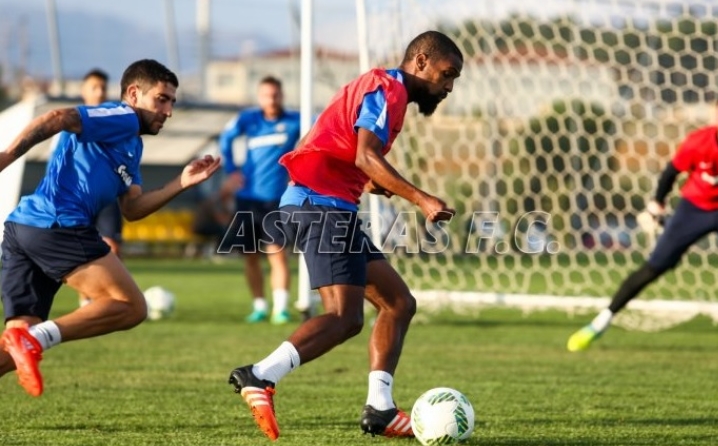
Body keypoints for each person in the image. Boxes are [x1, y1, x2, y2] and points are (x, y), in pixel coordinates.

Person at [226, 30, 463, 441]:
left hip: (327, 206)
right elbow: (365, 154)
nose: (448, 86)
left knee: (398, 303)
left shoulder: (381, 89)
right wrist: (421, 198)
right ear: (421, 60)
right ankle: (260, 375)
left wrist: (367, 182)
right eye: (447, 73)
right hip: (320, 208)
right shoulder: (387, 89)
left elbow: (323, 145)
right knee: (344, 317)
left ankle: (381, 409)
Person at [0, 59, 221, 397]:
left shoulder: (132, 144)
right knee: (131, 306)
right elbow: (57, 118)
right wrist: (4, 157)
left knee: (11, 352)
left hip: (25, 229)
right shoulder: (121, 116)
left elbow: (132, 208)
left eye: (173, 102)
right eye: (161, 99)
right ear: (133, 94)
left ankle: (28, 338)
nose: (169, 110)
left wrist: (182, 183)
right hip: (58, 224)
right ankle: (36, 339)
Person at [567, 92, 718, 357]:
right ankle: (598, 325)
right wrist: (656, 204)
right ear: (716, 118)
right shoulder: (698, 143)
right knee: (653, 267)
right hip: (694, 209)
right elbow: (670, 173)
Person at [219, 76, 301, 324]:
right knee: (251, 256)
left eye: (275, 94)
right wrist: (232, 170)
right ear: (259, 97)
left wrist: (299, 172)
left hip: (275, 200)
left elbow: (316, 136)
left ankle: (281, 308)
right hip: (248, 199)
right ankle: (259, 306)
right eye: (266, 95)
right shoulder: (248, 120)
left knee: (277, 253)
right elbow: (225, 139)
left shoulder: (295, 121)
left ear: (282, 95)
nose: (271, 99)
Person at [75, 69, 127, 308]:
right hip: (78, 198)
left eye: (103, 87)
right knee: (80, 251)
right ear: (83, 90)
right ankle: (86, 300)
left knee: (112, 247)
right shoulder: (71, 122)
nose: (99, 92)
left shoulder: (113, 122)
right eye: (94, 87)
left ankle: (111, 296)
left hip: (106, 196)